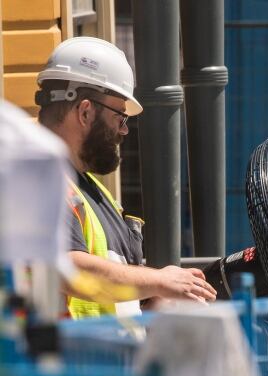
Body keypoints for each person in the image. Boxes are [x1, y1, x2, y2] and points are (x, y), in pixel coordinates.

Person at [35, 36, 216, 318]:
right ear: (85, 112)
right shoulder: (40, 180)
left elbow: (117, 294)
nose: (124, 130)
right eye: (120, 116)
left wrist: (156, 298)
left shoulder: (92, 192)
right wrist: (159, 281)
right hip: (72, 360)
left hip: (110, 359)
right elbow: (66, 268)